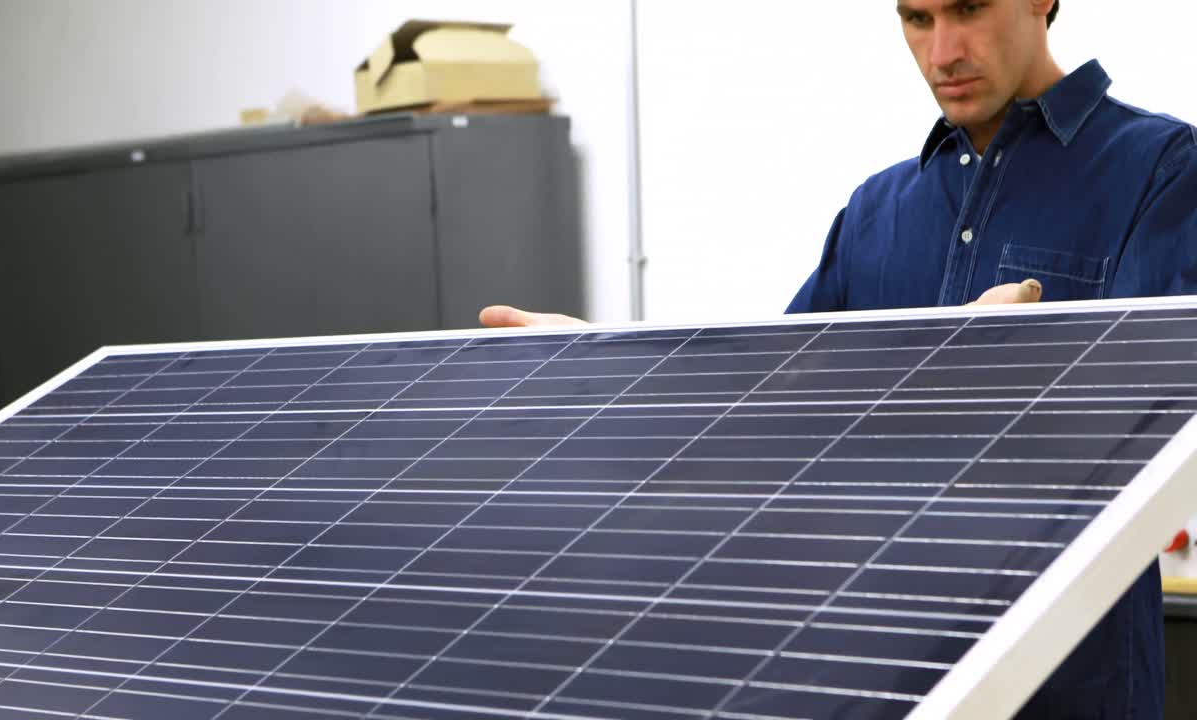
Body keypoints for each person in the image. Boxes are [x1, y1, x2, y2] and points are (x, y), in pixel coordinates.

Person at [481, 0, 1197, 716]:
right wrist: (608, 362)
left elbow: (1151, 414)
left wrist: (994, 372)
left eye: (969, 9)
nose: (942, 51)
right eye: (917, 18)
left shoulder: (1161, 170)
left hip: (1067, 684)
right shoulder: (877, 211)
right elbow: (772, 406)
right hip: (889, 674)